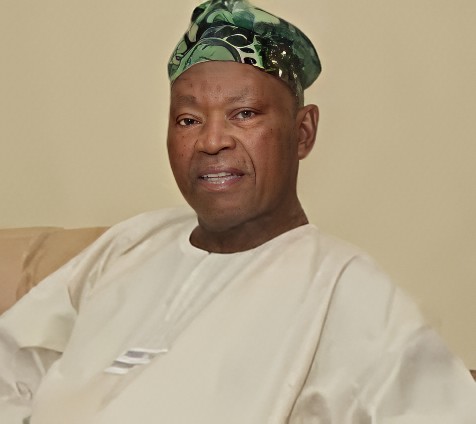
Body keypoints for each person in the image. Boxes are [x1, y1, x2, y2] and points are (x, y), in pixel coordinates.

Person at [1, 1, 475, 422]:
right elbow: (12, 365)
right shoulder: (134, 242)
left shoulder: (346, 289)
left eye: (244, 114)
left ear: (303, 133)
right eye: (188, 119)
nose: (211, 141)